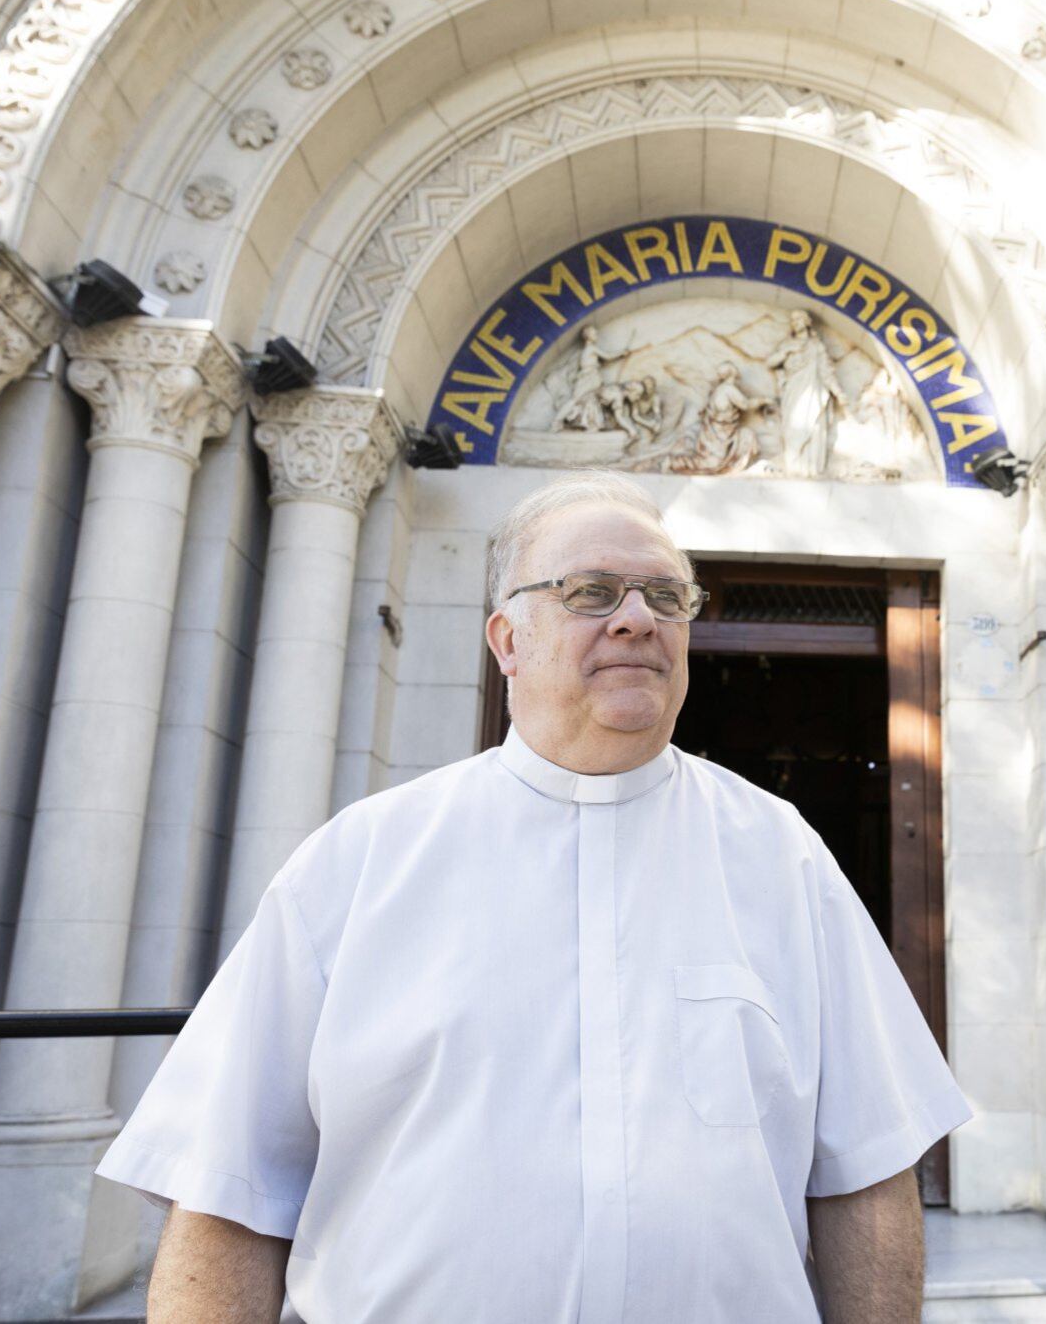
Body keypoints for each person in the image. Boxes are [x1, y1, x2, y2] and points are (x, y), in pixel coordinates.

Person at [96, 470, 971, 1322]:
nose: (637, 619)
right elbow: (228, 1197)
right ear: (506, 640)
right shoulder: (358, 866)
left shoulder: (784, 859)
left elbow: (866, 1173)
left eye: (666, 598)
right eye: (591, 591)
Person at [765, 309, 848, 478]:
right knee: (793, 427)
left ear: (806, 323)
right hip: (793, 391)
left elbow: (826, 371)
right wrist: (787, 352)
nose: (795, 323)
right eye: (793, 321)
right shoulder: (787, 344)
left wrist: (838, 392)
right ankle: (794, 466)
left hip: (813, 390)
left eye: (798, 320)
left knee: (814, 425)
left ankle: (812, 469)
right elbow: (770, 362)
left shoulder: (816, 346)